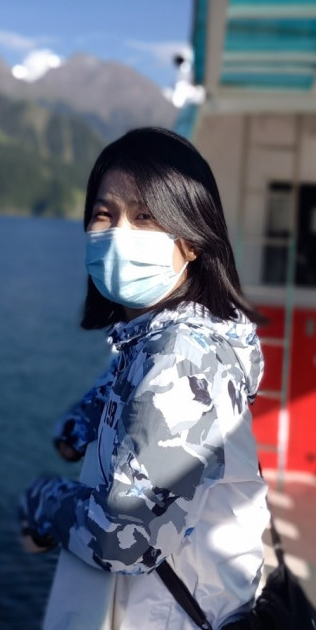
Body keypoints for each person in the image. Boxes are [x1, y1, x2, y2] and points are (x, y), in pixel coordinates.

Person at [18, 127, 269, 630]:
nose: (119, 233)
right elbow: (121, 391)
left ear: (191, 240)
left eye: (145, 217)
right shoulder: (168, 334)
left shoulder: (182, 359)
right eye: (104, 214)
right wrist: (77, 428)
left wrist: (42, 502)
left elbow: (125, 540)